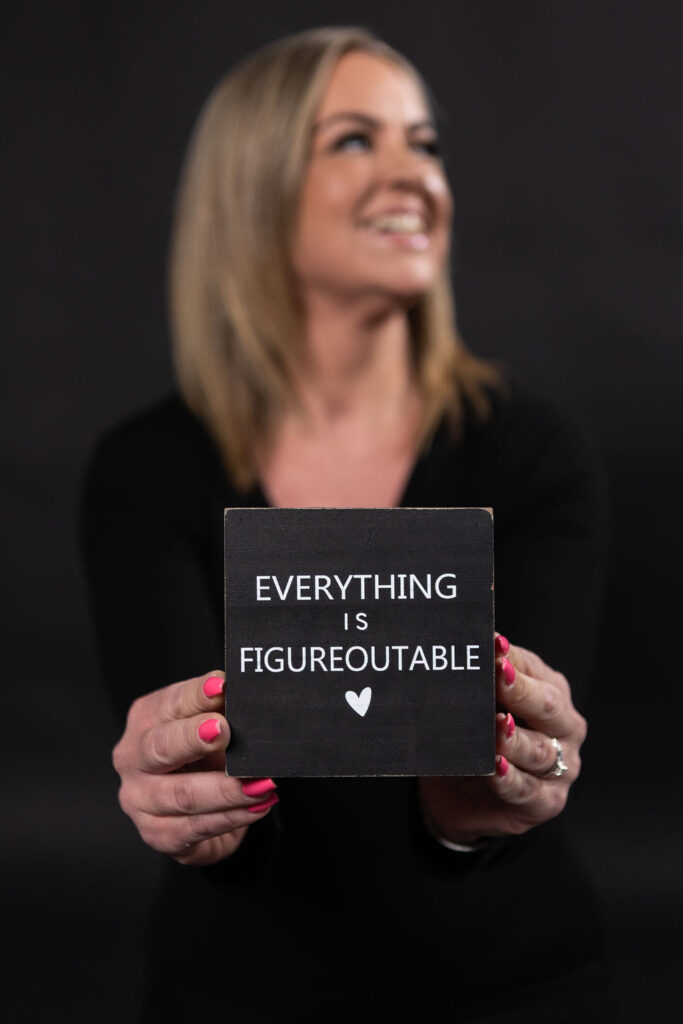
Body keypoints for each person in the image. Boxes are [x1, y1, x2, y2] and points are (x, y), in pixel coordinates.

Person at [82, 26, 614, 1023]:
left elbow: (501, 787)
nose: (414, 174)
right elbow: (204, 788)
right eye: (356, 141)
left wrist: (478, 811)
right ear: (255, 187)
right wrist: (185, 800)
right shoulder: (145, 469)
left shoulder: (532, 453)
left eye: (425, 141)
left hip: (508, 983)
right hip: (239, 988)